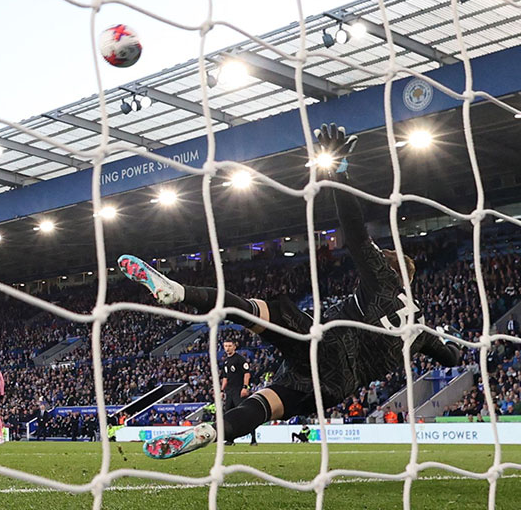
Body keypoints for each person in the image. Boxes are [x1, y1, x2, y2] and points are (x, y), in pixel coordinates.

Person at [118, 124, 461, 460]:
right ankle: (209, 431)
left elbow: (355, 232)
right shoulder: (422, 329)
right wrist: (451, 343)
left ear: (390, 269)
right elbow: (451, 360)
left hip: (326, 345)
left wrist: (339, 172)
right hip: (337, 388)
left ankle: (178, 291)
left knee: (255, 310)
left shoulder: (383, 279)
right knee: (264, 405)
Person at [220, 339, 255, 446]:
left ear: (234, 347)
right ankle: (230, 439)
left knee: (244, 414)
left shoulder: (240, 359)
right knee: (228, 416)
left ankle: (253, 439)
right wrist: (221, 390)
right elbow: (225, 378)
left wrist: (245, 387)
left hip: (238, 390)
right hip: (229, 391)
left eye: (230, 346)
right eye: (225, 346)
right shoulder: (226, 361)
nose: (227, 348)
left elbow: (247, 374)